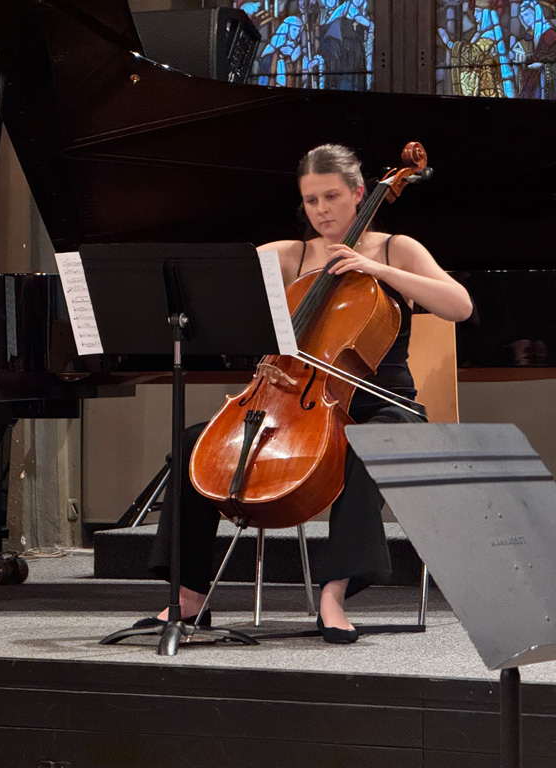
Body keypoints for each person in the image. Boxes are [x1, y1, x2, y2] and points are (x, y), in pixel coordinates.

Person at [147, 144, 474, 643]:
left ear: (360, 193)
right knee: (194, 443)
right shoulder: (293, 255)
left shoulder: (396, 248)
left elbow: (460, 305)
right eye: (311, 200)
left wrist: (379, 271)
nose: (321, 210)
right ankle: (189, 596)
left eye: (332, 197)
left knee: (367, 448)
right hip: (299, 400)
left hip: (383, 404)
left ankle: (333, 594)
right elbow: (215, 281)